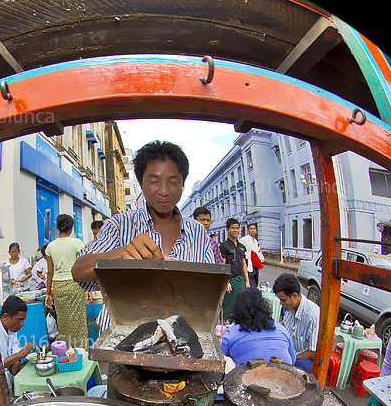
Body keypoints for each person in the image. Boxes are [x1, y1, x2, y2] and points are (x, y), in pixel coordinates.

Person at [73, 140, 216, 332]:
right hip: (120, 342)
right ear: (140, 183)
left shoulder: (198, 233)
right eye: (154, 182)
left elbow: (210, 292)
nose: (164, 191)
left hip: (181, 343)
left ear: (183, 184)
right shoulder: (120, 225)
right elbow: (78, 270)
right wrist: (121, 253)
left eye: (173, 182)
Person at [220, 288, 296, 366]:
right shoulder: (281, 329)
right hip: (286, 374)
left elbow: (218, 359)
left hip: (247, 376)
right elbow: (293, 360)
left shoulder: (232, 333)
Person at [45, 214, 88, 349]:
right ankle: (82, 353)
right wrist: (87, 287)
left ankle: (66, 351)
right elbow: (80, 267)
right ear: (71, 228)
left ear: (57, 227)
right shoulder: (77, 243)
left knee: (63, 323)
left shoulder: (50, 246)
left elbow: (50, 272)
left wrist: (48, 293)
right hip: (74, 284)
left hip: (58, 287)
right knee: (78, 322)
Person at [273, 272, 320, 373]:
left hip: (307, 360)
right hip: (292, 352)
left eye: (283, 300)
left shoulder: (313, 315)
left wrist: (291, 358)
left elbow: (314, 351)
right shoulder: (291, 307)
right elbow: (285, 323)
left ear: (294, 296)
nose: (281, 304)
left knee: (299, 364)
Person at [219, 217, 250, 318]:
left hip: (241, 280)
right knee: (227, 307)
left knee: (241, 307)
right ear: (227, 229)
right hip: (231, 281)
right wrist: (226, 282)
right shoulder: (224, 246)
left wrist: (247, 281)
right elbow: (223, 265)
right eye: (233, 228)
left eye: (237, 228)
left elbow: (244, 264)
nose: (235, 230)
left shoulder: (242, 246)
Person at [239, 222, 264, 288]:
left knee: (255, 280)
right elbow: (241, 252)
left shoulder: (255, 241)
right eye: (251, 229)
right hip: (248, 262)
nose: (252, 230)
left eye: (254, 229)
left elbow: (258, 251)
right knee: (249, 281)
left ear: (256, 231)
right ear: (247, 230)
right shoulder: (244, 239)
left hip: (255, 263)